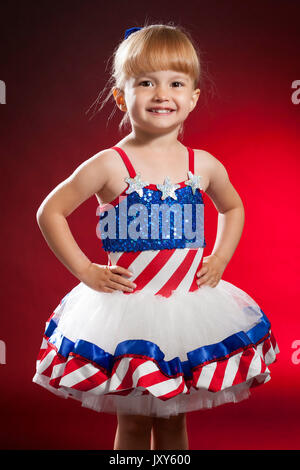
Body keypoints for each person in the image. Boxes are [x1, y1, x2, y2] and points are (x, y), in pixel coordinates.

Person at [32, 22, 279, 451]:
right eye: (146, 82)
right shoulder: (110, 164)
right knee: (131, 425)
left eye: (176, 83)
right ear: (120, 97)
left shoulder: (202, 164)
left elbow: (233, 206)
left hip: (187, 312)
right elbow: (50, 211)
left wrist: (220, 258)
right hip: (127, 317)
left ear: (193, 97)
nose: (162, 94)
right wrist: (86, 270)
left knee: (172, 423)